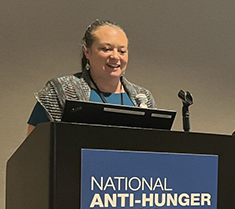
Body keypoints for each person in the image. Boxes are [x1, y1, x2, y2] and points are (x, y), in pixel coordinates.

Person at [26, 20, 156, 136]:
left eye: (122, 51)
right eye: (106, 49)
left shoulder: (143, 98)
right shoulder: (61, 91)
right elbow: (33, 147)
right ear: (87, 52)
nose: (116, 57)